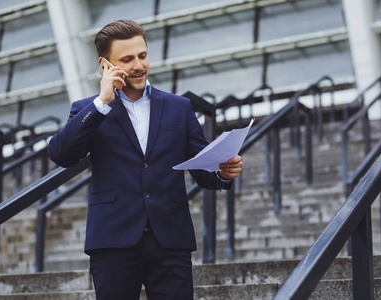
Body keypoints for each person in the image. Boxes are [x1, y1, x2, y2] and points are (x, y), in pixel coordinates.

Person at [48, 19, 243, 300]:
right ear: (105, 65)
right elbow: (60, 154)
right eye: (127, 59)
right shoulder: (88, 110)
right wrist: (102, 103)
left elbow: (203, 171)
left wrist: (224, 172)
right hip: (113, 240)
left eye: (142, 55)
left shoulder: (180, 107)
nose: (139, 65)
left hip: (170, 239)